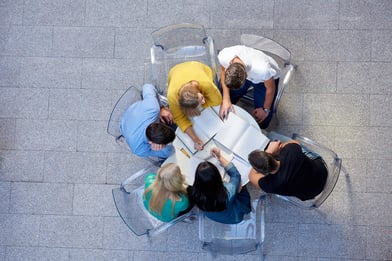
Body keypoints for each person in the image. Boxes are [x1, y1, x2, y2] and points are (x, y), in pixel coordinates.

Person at [217, 45, 281, 129]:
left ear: (247, 76)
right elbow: (222, 70)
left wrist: (265, 109)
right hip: (251, 74)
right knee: (221, 98)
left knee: (263, 119)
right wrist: (226, 98)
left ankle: (261, 127)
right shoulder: (224, 55)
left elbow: (270, 89)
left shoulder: (263, 70)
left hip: (263, 81)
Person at [167, 61, 222, 151]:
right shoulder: (171, 96)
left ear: (199, 92)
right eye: (202, 100)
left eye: (202, 98)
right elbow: (179, 118)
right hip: (175, 72)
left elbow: (217, 100)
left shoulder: (206, 84)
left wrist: (201, 105)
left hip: (196, 66)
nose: (204, 101)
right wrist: (195, 139)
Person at [248, 139, 328, 201]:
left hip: (309, 194)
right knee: (273, 137)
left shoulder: (270, 185)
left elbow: (251, 175)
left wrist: (264, 158)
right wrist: (268, 152)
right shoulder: (292, 152)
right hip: (322, 172)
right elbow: (295, 142)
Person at [189, 147, 251, 224]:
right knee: (241, 187)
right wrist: (219, 157)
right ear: (217, 176)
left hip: (213, 216)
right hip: (234, 216)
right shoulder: (228, 192)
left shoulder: (194, 193)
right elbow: (236, 175)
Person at [120, 83, 175, 159]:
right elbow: (170, 154)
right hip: (126, 127)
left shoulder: (153, 109)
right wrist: (163, 148)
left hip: (133, 113)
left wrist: (160, 107)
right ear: (151, 143)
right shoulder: (139, 149)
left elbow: (147, 86)